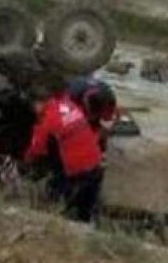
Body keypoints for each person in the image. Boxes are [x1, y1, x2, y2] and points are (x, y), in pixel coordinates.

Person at [23, 80, 117, 223]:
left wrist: (26, 160)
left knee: (56, 199)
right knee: (85, 214)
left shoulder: (47, 120)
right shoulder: (71, 104)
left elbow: (36, 150)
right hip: (96, 166)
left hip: (75, 172)